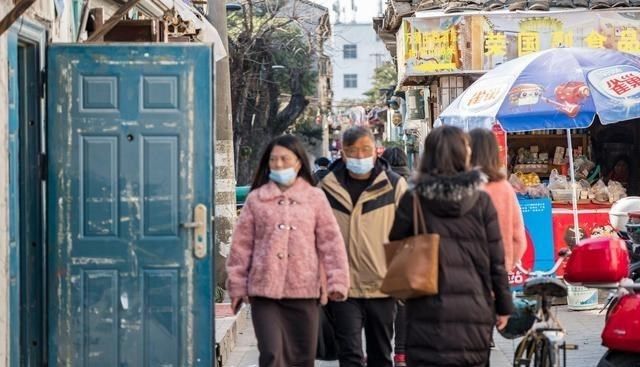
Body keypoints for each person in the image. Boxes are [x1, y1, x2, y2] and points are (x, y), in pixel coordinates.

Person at [388, 126, 513, 367]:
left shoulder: (412, 200)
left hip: (425, 308)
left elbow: (396, 249)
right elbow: (496, 261)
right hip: (474, 309)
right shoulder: (481, 201)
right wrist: (504, 307)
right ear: (462, 155)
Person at [226, 135, 350, 367]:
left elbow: (331, 244)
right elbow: (241, 247)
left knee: (302, 358)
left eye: (286, 159)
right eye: (274, 160)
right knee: (271, 354)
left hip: (305, 290)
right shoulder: (256, 199)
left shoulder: (315, 198)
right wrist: (237, 285)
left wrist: (337, 282)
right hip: (264, 291)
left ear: (299, 163)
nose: (280, 164)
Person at [319, 126, 407, 367]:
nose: (360, 156)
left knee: (380, 353)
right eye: (353, 151)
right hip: (342, 286)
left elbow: (410, 234)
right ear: (343, 153)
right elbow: (315, 236)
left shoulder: (394, 185)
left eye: (365, 150)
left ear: (376, 152)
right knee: (350, 354)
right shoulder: (327, 188)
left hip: (383, 285)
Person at [470, 128, 527, 273]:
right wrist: (507, 264)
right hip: (498, 270)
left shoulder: (461, 186)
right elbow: (519, 239)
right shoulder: (504, 188)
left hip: (466, 272)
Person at [380, 146, 410, 367]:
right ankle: (401, 353)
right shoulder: (414, 183)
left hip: (382, 246)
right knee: (403, 304)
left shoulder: (380, 183)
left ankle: (382, 348)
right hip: (408, 248)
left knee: (382, 303)